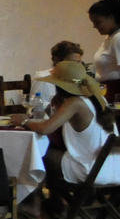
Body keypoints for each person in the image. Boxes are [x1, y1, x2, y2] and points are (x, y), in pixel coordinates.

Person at [14, 59, 120, 198]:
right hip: (114, 169)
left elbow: (45, 129)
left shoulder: (75, 103)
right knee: (50, 153)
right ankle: (56, 203)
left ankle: (34, 203)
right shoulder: (98, 99)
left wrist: (24, 121)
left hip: (90, 170)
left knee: (37, 154)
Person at [29, 40, 84, 113]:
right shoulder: (44, 81)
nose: (77, 66)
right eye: (73, 62)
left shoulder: (72, 79)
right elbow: (40, 108)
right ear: (57, 61)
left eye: (78, 62)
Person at [90, 0, 120, 93]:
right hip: (106, 89)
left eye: (98, 22)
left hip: (115, 90)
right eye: (93, 22)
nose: (94, 26)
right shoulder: (110, 38)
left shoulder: (118, 38)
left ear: (111, 17)